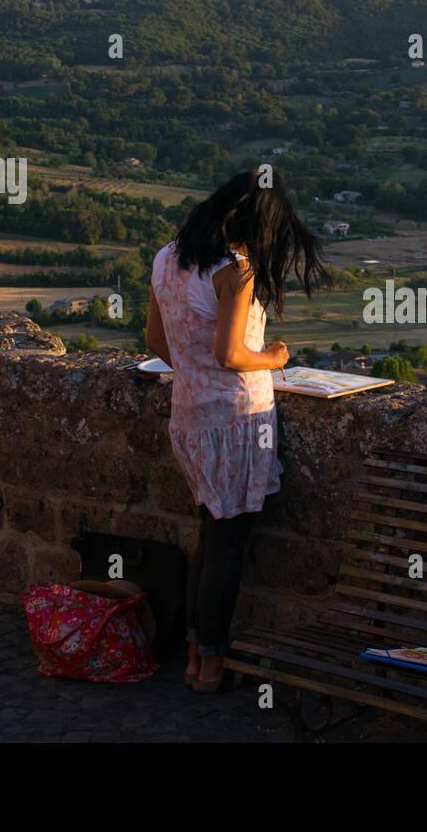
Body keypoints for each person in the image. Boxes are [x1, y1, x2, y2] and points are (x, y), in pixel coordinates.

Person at [146, 168, 328, 692]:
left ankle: (195, 658)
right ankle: (212, 665)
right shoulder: (237, 269)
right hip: (238, 421)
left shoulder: (168, 257)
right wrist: (273, 357)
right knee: (227, 546)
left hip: (189, 417)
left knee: (210, 534)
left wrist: (196, 370)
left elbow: (158, 340)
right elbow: (231, 354)